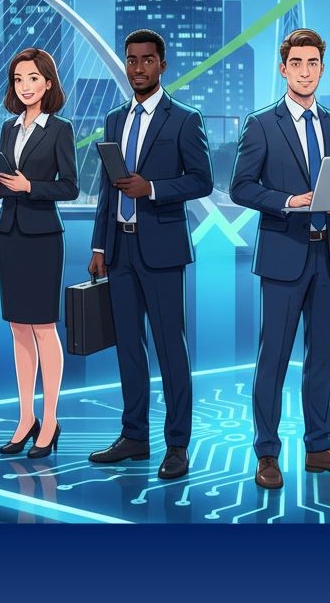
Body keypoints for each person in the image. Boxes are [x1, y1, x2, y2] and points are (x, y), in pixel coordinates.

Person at [230, 28, 330, 491]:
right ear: (283, 68)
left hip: (327, 257)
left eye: (313, 64)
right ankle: (267, 452)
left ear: (321, 70)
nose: (306, 71)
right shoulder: (262, 123)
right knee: (273, 359)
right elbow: (241, 187)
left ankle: (319, 448)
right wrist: (291, 201)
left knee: (322, 359)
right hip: (283, 256)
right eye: (297, 63)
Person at [86, 30, 212, 481]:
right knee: (128, 349)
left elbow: (202, 181)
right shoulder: (115, 119)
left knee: (170, 349)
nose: (137, 68)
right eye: (131, 60)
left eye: (146, 60)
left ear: (162, 65)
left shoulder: (184, 119)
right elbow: (107, 186)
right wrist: (99, 245)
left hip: (161, 249)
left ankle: (177, 444)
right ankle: (134, 437)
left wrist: (152, 189)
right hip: (119, 248)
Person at [0, 48, 78, 459]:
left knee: (43, 327)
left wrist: (31, 187)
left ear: (48, 83)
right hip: (10, 233)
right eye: (18, 79)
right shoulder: (8, 128)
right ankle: (26, 418)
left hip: (42, 236)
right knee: (17, 328)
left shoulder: (60, 129)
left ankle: (51, 418)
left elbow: (70, 187)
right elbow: (5, 182)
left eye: (33, 78)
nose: (25, 86)